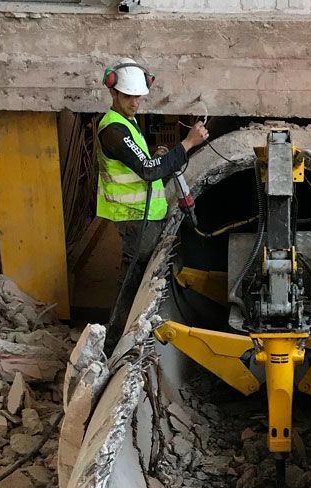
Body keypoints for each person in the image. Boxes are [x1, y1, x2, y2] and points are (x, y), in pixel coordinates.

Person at [97, 58, 208, 340]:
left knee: (140, 280)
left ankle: (122, 335)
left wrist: (161, 156)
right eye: (128, 97)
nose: (135, 102)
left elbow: (143, 162)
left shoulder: (127, 122)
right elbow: (148, 171)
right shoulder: (113, 130)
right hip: (134, 218)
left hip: (144, 216)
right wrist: (187, 143)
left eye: (138, 97)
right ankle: (114, 341)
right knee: (133, 283)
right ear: (113, 93)